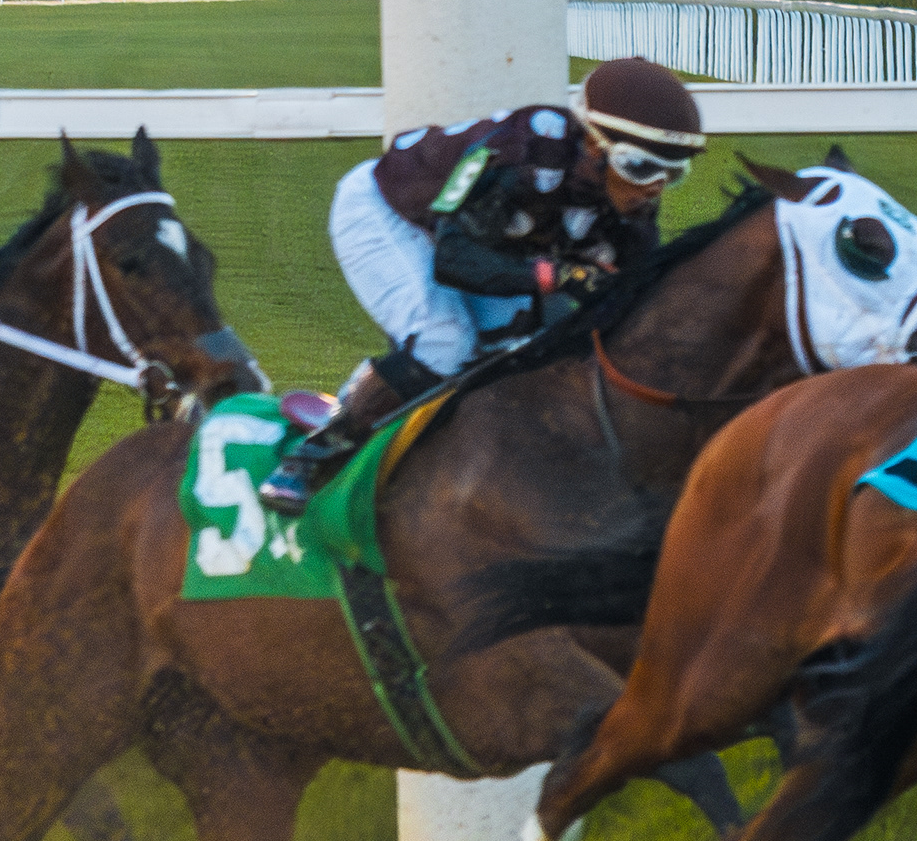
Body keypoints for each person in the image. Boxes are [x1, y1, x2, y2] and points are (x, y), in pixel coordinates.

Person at [259, 57, 709, 513]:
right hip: (391, 215)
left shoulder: (628, 203)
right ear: (594, 146)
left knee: (526, 349)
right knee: (445, 341)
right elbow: (454, 261)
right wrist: (559, 277)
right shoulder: (526, 152)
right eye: (638, 167)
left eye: (672, 174)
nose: (653, 188)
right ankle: (313, 456)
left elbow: (637, 300)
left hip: (477, 240)